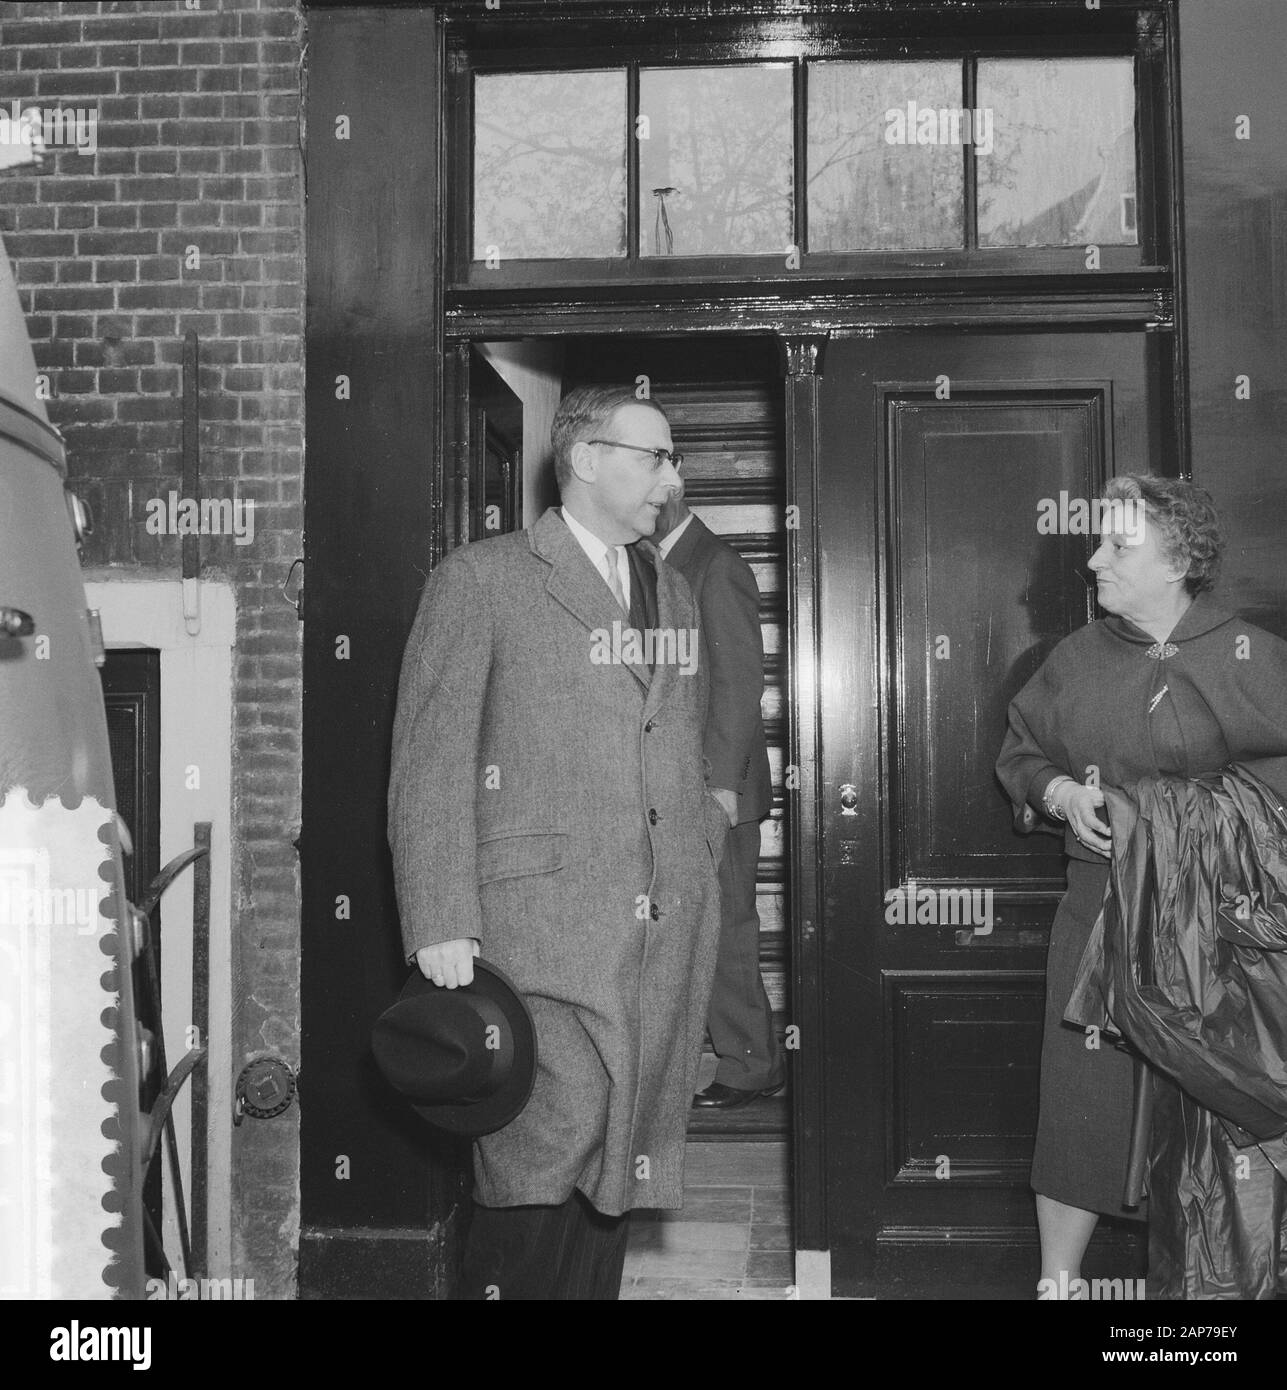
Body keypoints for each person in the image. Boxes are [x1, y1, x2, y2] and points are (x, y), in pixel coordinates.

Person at [387, 384, 729, 1300]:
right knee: (534, 1171)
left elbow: (675, 745)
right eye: (655, 455)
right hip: (535, 932)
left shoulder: (676, 590)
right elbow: (431, 759)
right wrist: (439, 919)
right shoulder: (484, 578)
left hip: (654, 934)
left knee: (617, 1167)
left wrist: (704, 863)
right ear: (585, 460)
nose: (673, 476)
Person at [995, 474, 1287, 1298]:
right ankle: (1059, 1284)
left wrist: (1160, 819)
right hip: (1097, 913)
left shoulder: (1251, 657)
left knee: (1218, 1108)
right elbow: (1019, 754)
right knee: (1082, 1102)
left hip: (1220, 936)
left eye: (1118, 544)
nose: (1094, 559)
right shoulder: (1076, 658)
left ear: (1177, 560)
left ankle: (1211, 1294)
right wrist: (1056, 794)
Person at [654, 493, 784, 1108]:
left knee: (727, 927)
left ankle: (751, 1065)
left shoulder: (716, 564)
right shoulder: (656, 563)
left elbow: (738, 684)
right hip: (674, 789)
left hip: (716, 793)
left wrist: (723, 789)